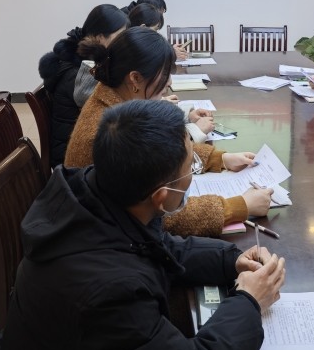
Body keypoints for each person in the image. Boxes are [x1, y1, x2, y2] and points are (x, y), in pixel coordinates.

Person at [0, 99, 286, 350]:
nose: (192, 174)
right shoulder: (113, 294)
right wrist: (249, 301)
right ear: (161, 196)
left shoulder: (93, 193)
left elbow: (160, 246)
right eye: (191, 167)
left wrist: (231, 259)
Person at [65, 26, 273, 236]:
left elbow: (160, 149)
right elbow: (159, 215)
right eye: (164, 73)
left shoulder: (115, 104)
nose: (169, 82)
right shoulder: (109, 131)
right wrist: (239, 206)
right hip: (107, 237)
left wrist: (220, 159)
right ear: (135, 79)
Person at [38, 4, 128, 168]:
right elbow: (112, 106)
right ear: (100, 38)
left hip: (79, 145)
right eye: (119, 37)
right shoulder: (80, 74)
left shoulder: (85, 61)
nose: (123, 43)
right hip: (71, 159)